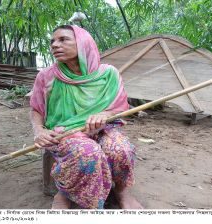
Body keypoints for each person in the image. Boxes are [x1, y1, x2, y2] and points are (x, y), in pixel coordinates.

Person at [29, 25, 143, 209]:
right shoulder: (47, 76)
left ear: (83, 43)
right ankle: (65, 193)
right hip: (65, 132)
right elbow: (36, 108)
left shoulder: (108, 74)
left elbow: (119, 107)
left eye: (63, 39)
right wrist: (39, 130)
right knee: (88, 154)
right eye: (52, 41)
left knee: (122, 150)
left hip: (104, 128)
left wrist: (104, 114)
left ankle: (121, 191)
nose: (54, 45)